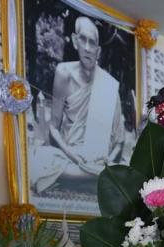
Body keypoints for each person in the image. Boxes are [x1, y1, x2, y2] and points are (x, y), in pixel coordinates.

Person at [31, 16, 125, 194]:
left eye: (92, 43)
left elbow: (119, 142)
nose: (88, 48)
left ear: (98, 50)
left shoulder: (109, 85)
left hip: (99, 160)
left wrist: (107, 165)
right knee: (40, 158)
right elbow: (54, 128)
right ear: (75, 41)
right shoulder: (64, 73)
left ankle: (96, 177)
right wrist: (75, 157)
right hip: (70, 156)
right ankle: (95, 179)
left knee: (123, 169)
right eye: (83, 40)